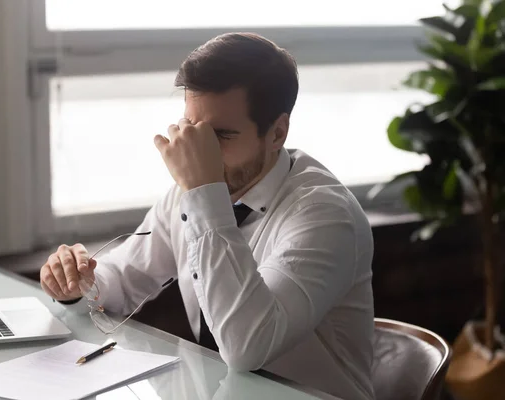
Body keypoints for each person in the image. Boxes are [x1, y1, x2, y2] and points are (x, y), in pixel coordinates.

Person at [39, 32, 375, 400]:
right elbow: (119, 281)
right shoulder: (191, 195)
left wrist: (204, 195)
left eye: (221, 136)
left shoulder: (325, 215)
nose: (202, 153)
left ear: (277, 133)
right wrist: (75, 280)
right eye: (193, 131)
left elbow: (247, 347)